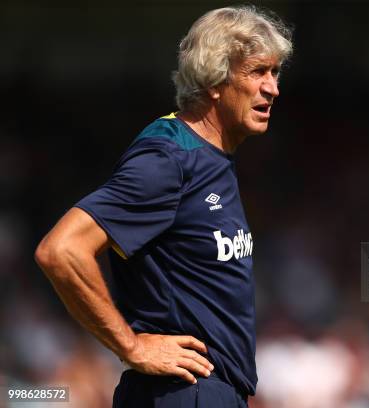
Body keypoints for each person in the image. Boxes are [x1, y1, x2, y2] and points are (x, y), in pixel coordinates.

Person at [34, 6, 292, 407]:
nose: (272, 88)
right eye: (257, 72)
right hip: (181, 393)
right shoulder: (169, 159)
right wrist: (132, 347)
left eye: (275, 73)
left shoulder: (212, 157)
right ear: (215, 80)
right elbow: (61, 250)